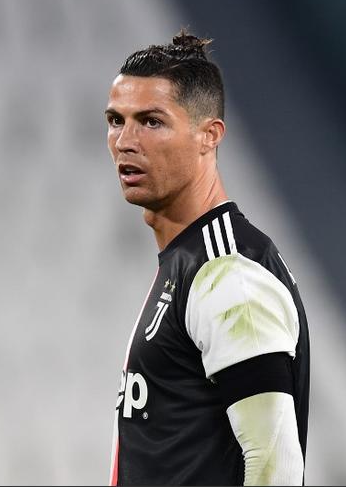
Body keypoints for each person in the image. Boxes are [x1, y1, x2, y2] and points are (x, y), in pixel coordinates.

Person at [105, 28, 310, 486]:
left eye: (152, 121)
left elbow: (276, 468)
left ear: (209, 136)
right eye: (116, 120)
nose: (125, 141)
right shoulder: (188, 262)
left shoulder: (227, 273)